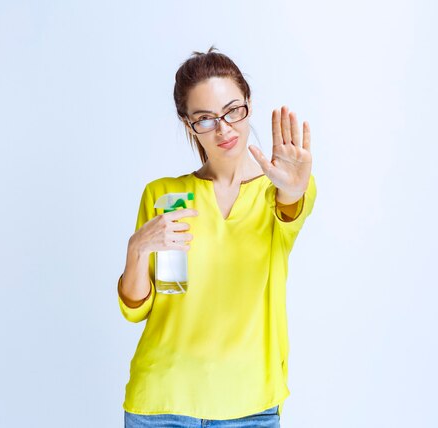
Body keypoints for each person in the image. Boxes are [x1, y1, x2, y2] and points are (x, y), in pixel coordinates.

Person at [117, 46, 317, 428]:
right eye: (205, 119)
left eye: (232, 111)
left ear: (248, 104)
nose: (224, 128)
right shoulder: (164, 195)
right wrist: (137, 247)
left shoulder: (279, 192)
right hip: (161, 404)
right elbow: (137, 308)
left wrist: (293, 188)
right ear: (188, 124)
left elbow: (291, 209)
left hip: (250, 408)